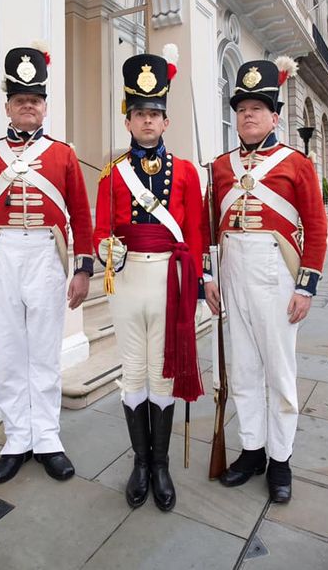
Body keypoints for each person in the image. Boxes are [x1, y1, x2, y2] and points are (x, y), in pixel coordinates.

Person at [0, 42, 94, 483]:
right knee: (11, 352)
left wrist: (84, 268)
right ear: (8, 107)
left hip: (47, 258)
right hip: (1, 258)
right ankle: (17, 439)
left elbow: (82, 214)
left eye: (34, 100)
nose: (28, 107)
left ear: (44, 107)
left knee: (45, 352)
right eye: (20, 101)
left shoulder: (62, 154)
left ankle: (48, 438)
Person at [203, 57, 327, 503]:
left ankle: (280, 459)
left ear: (275, 116)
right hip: (232, 274)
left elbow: (315, 227)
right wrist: (207, 278)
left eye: (257, 107)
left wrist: (305, 286)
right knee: (243, 370)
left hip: (277, 277)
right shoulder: (220, 166)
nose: (248, 115)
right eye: (241, 108)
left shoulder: (296, 163)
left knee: (279, 372)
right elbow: (207, 228)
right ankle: (252, 450)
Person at [94, 45, 204, 512]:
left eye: (154, 114)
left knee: (163, 375)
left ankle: (160, 466)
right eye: (138, 113)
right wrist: (105, 248)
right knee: (132, 374)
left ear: (166, 120)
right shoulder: (111, 175)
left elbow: (196, 233)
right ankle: (140, 462)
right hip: (127, 282)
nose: (146, 121)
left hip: (169, 282)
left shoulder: (185, 172)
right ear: (127, 120)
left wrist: (197, 285)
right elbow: (100, 228)